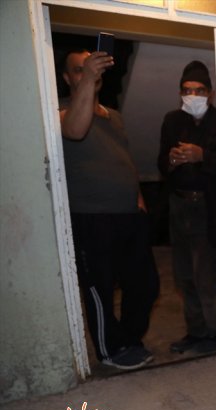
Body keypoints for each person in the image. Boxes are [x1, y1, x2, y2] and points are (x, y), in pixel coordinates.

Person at [59, 49, 159, 369]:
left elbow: (125, 160)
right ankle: (109, 351)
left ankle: (129, 339)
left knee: (145, 283)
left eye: (91, 68)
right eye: (78, 70)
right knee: (100, 288)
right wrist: (88, 77)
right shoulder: (60, 111)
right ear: (67, 78)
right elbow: (75, 130)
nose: (88, 73)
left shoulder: (114, 116)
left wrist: (139, 197)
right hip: (91, 216)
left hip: (129, 214)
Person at [157, 60, 216, 354]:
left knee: (205, 275)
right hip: (179, 205)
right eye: (187, 90)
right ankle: (196, 331)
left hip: (209, 208)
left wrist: (201, 155)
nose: (193, 95)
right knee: (183, 275)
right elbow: (160, 164)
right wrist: (172, 160)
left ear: (211, 93)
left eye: (199, 90)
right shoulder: (171, 120)